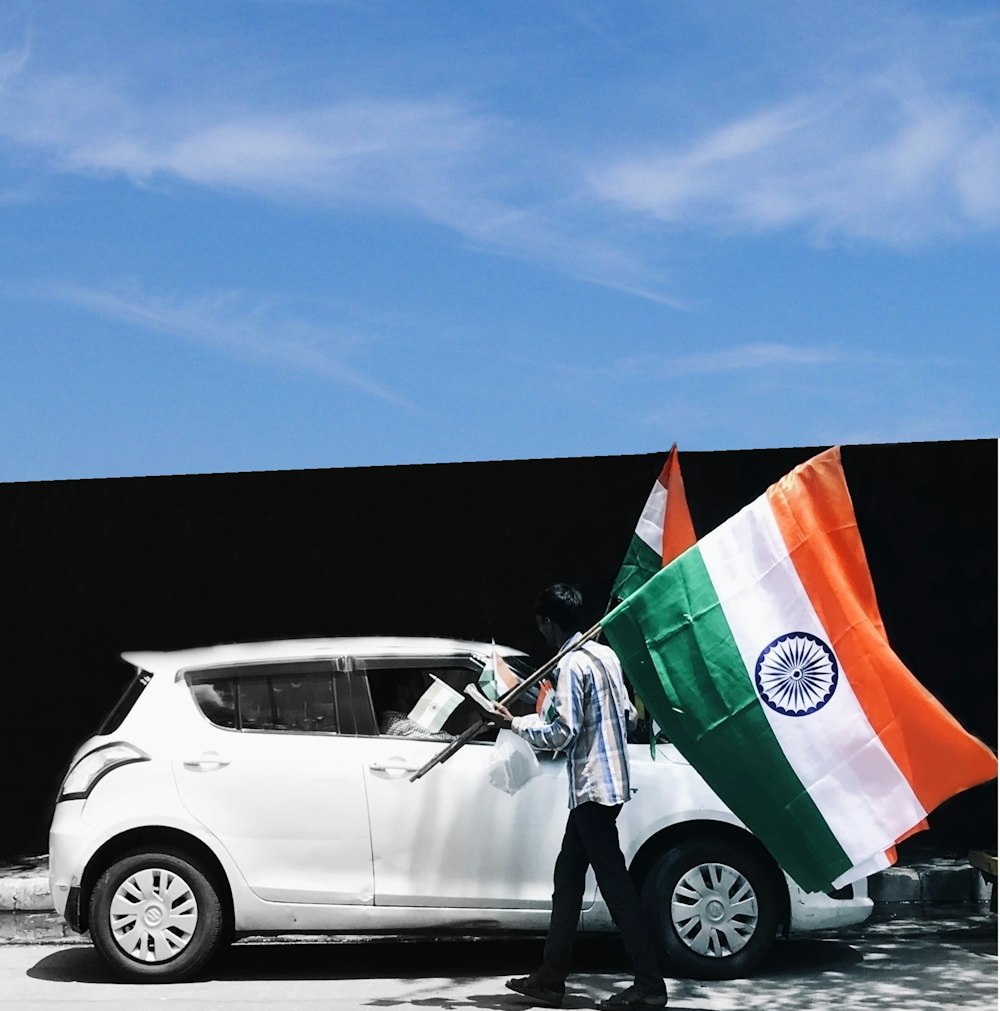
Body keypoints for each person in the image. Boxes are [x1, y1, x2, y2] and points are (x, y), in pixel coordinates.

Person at [493, 583, 668, 1011]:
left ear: (549, 623)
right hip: (611, 785)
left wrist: (516, 723)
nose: (541, 631)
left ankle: (649, 985)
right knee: (568, 878)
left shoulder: (571, 664)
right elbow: (627, 714)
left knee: (615, 886)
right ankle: (551, 978)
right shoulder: (605, 654)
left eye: (541, 624)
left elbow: (562, 733)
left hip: (591, 786)